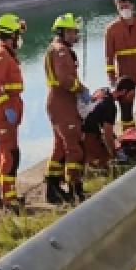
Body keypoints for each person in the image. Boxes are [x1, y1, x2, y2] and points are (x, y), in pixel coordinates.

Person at [44, 13, 88, 204]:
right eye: (70, 31)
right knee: (73, 148)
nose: (74, 35)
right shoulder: (61, 51)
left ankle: (52, 189)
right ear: (61, 32)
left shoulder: (58, 48)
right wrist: (80, 89)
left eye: (75, 31)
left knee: (60, 147)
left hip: (58, 102)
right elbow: (64, 79)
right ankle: (75, 188)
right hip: (63, 102)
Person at [0, 13, 26, 211]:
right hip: (3, 111)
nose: (20, 38)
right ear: (11, 34)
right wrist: (7, 108)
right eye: (18, 33)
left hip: (8, 108)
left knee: (3, 152)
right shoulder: (0, 55)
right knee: (10, 154)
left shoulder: (6, 53)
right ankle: (9, 199)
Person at [103, 0, 136, 130]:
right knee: (126, 111)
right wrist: (112, 81)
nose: (124, 9)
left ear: (132, 5)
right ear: (117, 9)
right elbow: (108, 57)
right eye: (121, 7)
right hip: (124, 76)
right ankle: (129, 138)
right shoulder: (111, 29)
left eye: (126, 5)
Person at [81, 77, 136, 168]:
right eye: (131, 96)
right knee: (106, 159)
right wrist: (114, 155)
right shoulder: (110, 106)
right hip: (86, 136)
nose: (130, 100)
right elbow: (107, 135)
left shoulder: (103, 91)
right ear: (123, 92)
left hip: (79, 129)